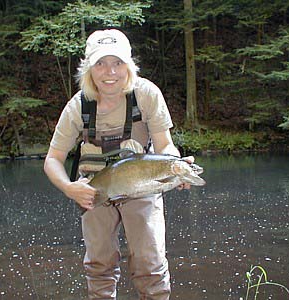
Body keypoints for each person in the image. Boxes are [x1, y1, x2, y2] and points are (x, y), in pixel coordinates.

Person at [44, 28, 194, 299]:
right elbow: (52, 160)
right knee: (99, 264)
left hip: (142, 184)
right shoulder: (78, 106)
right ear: (89, 68)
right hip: (94, 189)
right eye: (100, 63)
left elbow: (164, 144)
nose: (109, 72)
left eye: (117, 63)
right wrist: (69, 187)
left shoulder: (146, 94)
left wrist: (175, 164)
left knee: (150, 263)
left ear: (129, 65)